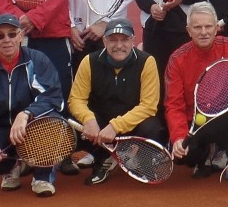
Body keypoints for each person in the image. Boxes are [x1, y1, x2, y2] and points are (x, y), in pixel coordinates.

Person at [0, 14, 65, 197]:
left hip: (32, 126)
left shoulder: (38, 60)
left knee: (53, 127)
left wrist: (26, 113)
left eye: (12, 34)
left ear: (21, 36)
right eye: (0, 36)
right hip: (1, 127)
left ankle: (42, 176)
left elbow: (53, 98)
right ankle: (10, 168)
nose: (7, 40)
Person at [165, 2, 228, 186]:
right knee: (184, 156)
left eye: (208, 26)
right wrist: (178, 137)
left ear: (217, 28)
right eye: (197, 27)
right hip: (196, 122)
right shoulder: (177, 59)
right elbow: (173, 104)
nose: (204, 32)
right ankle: (207, 153)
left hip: (227, 116)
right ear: (188, 30)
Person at [68, 18, 166, 185]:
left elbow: (149, 106)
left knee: (153, 129)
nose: (118, 45)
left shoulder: (146, 61)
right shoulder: (89, 61)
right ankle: (102, 158)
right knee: (73, 125)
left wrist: (115, 126)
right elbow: (76, 99)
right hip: (99, 124)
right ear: (104, 41)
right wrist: (88, 119)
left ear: (133, 40)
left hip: (131, 124)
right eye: (113, 39)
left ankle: (132, 155)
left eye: (124, 39)